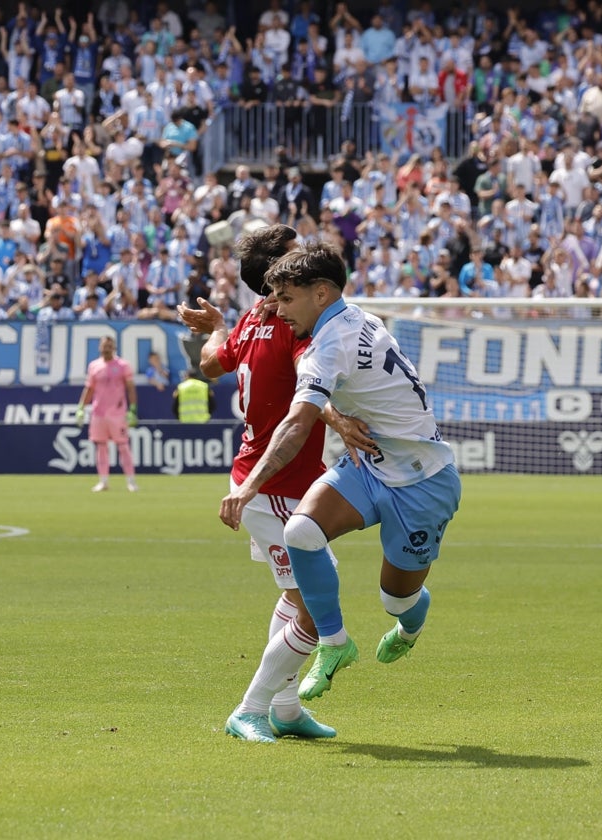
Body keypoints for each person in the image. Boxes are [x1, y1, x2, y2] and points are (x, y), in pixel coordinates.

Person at [219, 241, 461, 702]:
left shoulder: (329, 344)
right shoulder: (357, 317)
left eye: (287, 299)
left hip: (422, 482)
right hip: (367, 465)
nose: (278, 309)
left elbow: (295, 425)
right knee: (302, 532)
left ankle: (410, 622)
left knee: (397, 599)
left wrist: (249, 486)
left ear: (322, 294)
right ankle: (334, 644)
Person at [177, 224, 373, 743]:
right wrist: (338, 421)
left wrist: (219, 325)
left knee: (295, 594)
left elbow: (210, 363)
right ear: (274, 276)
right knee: (315, 599)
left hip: (269, 477)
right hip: (276, 482)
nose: (306, 256)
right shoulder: (291, 325)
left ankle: (285, 710)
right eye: (295, 254)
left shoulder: (253, 320)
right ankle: (251, 709)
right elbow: (309, 392)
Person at [75, 335, 138, 492]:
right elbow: (89, 388)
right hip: (98, 413)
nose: (106, 349)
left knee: (123, 446)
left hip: (117, 413)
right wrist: (81, 408)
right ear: (99, 347)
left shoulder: (123, 365)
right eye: (104, 346)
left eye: (109, 346)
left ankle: (131, 481)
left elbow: (130, 388)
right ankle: (103, 481)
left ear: (114, 348)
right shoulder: (94, 366)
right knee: (101, 446)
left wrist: (133, 408)